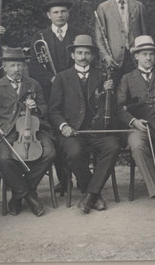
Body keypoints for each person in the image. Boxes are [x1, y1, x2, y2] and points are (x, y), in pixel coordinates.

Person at [49, 35, 120, 214]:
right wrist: (63, 126)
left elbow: (111, 107)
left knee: (113, 146)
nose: (83, 57)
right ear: (72, 55)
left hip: (97, 130)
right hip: (73, 131)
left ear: (93, 56)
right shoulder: (61, 78)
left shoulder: (103, 76)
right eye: (79, 53)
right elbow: (53, 110)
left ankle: (89, 195)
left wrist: (109, 93)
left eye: (87, 53)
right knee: (73, 153)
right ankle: (93, 194)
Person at [0, 47, 56, 217]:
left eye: (20, 65)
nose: (17, 69)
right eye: (12, 65)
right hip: (6, 132)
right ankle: (28, 195)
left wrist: (36, 107)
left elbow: (45, 108)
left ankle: (17, 196)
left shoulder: (33, 84)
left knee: (50, 153)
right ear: (4, 67)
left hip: (34, 129)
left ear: (24, 67)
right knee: (4, 158)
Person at [28, 0, 86, 192]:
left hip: (76, 91)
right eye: (56, 12)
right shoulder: (40, 37)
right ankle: (64, 180)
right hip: (50, 91)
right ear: (48, 15)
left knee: (73, 133)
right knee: (57, 133)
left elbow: (86, 61)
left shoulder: (78, 35)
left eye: (63, 11)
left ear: (68, 14)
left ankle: (81, 178)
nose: (60, 15)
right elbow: (34, 67)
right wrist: (52, 79)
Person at [117, 35, 155, 199]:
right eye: (144, 54)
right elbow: (118, 107)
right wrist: (133, 121)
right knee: (137, 146)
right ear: (136, 56)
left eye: (151, 54)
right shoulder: (127, 79)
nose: (148, 57)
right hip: (138, 129)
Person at [95, 0, 148, 79]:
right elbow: (99, 37)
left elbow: (144, 34)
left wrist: (144, 55)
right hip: (114, 59)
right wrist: (106, 56)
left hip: (136, 58)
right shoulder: (103, 8)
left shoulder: (139, 6)